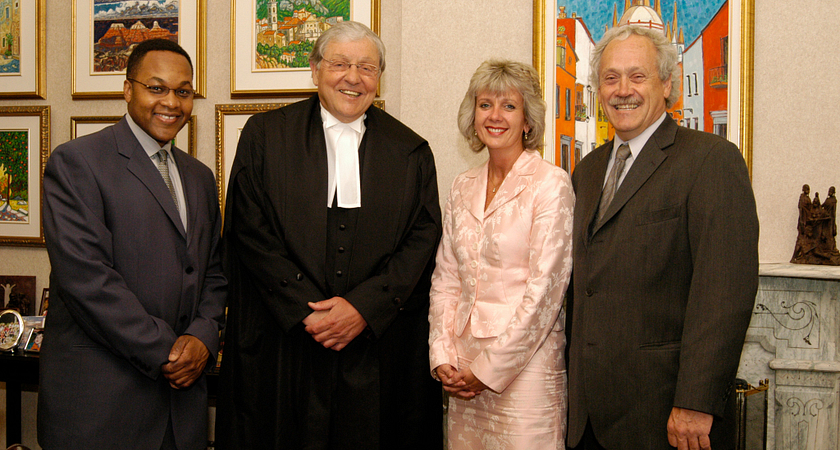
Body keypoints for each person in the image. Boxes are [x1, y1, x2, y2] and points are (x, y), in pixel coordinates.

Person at [216, 21, 443, 450]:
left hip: (375, 347)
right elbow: (248, 230)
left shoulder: (411, 150)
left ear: (379, 78)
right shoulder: (265, 136)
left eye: (367, 67)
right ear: (316, 69)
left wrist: (361, 308)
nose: (353, 78)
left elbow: (423, 240)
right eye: (340, 64)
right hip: (286, 345)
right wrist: (309, 310)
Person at [566, 25, 758, 450]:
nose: (622, 90)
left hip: (666, 416)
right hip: (587, 419)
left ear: (667, 84)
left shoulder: (711, 160)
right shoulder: (588, 170)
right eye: (611, 78)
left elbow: (724, 293)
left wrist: (695, 400)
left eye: (638, 76)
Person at [39, 39, 226, 450]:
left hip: (181, 411)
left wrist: (203, 337)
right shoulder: (78, 162)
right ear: (128, 90)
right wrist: (168, 351)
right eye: (156, 88)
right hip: (102, 407)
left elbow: (213, 271)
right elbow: (87, 280)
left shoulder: (199, 177)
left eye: (183, 91)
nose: (171, 102)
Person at [429, 59, 574, 448]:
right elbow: (447, 278)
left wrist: (488, 370)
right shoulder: (462, 185)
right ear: (472, 114)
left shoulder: (550, 184)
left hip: (525, 372)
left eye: (509, 106)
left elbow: (546, 293)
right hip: (462, 370)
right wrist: (442, 355)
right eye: (485, 104)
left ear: (528, 120)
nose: (495, 116)